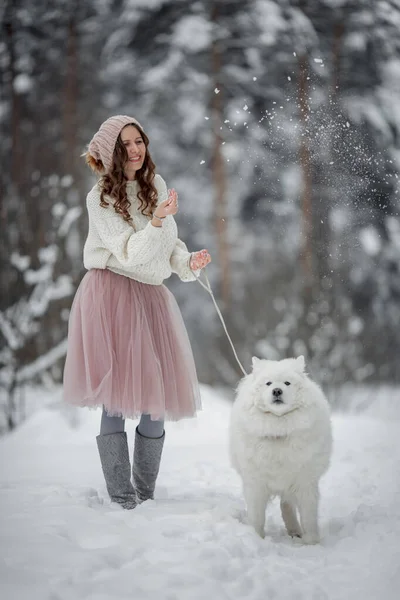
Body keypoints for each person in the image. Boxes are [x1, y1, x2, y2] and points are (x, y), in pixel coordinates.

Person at [63, 115, 211, 509]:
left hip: (151, 298)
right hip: (111, 294)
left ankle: (144, 493)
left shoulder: (155, 186)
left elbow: (166, 247)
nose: (135, 149)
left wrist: (187, 262)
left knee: (155, 401)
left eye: (139, 140)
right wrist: (159, 220)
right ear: (111, 153)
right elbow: (132, 253)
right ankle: (121, 496)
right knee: (116, 398)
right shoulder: (101, 198)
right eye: (125, 144)